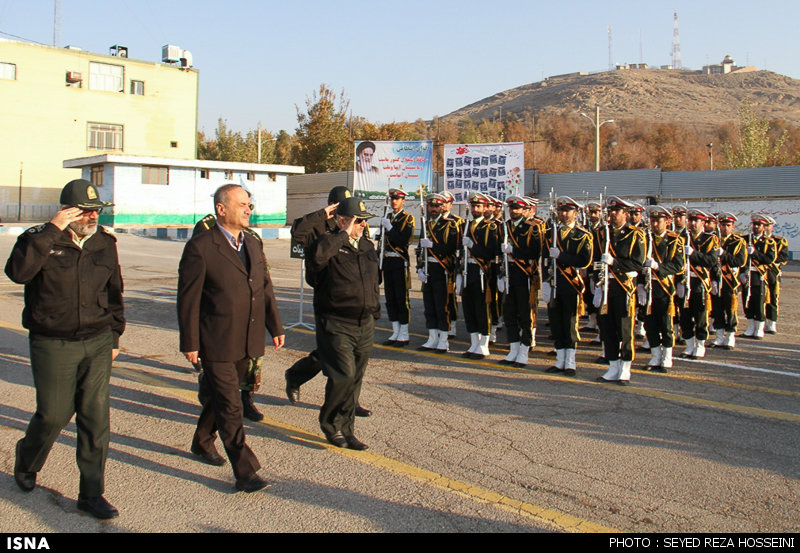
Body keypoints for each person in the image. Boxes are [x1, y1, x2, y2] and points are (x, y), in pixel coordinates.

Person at [5, 179, 125, 519]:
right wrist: (52, 230)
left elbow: (115, 292)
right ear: (65, 210)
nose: (91, 217)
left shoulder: (104, 243)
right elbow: (18, 273)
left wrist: (115, 335)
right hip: (52, 342)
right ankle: (27, 459)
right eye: (84, 211)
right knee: (54, 414)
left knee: (95, 417)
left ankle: (91, 493)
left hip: (97, 341)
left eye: (95, 210)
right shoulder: (39, 239)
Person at [178, 184, 284, 493]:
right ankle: (245, 471)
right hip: (216, 339)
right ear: (221, 209)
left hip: (248, 338)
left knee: (219, 396)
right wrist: (190, 342)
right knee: (231, 404)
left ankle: (201, 441)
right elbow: (188, 299)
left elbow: (265, 287)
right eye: (242, 204)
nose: (249, 209)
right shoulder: (202, 246)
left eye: (249, 204)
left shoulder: (252, 243)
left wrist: (275, 326)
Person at [309, 198, 380, 450]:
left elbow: (374, 281)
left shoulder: (367, 246)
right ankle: (329, 424)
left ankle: (347, 429)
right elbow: (315, 263)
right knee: (343, 376)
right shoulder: (327, 244)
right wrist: (341, 235)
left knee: (356, 379)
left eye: (364, 221)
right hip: (337, 322)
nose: (363, 225)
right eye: (358, 220)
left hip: (364, 322)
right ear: (342, 221)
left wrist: (375, 309)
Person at [596, 196, 645, 385]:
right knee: (607, 328)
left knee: (624, 329)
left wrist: (615, 263)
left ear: (626, 214)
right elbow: (595, 260)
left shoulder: (635, 234)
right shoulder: (602, 232)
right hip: (606, 286)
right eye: (611, 211)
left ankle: (625, 367)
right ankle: (613, 365)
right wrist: (596, 284)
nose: (612, 214)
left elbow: (637, 263)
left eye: (616, 211)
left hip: (624, 287)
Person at [542, 196, 593, 376]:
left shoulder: (582, 235)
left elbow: (585, 261)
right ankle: (559, 359)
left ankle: (570, 361)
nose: (563, 214)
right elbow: (544, 259)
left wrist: (561, 256)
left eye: (567, 211)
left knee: (570, 322)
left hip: (571, 283)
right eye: (561, 211)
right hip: (554, 282)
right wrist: (544, 281)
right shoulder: (550, 233)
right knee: (556, 322)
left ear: (576, 213)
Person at [499, 196, 544, 367]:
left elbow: (535, 250)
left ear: (524, 210)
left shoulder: (533, 227)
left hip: (524, 274)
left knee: (525, 315)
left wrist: (514, 251)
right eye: (511, 208)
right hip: (509, 273)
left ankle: (524, 350)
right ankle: (513, 348)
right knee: (509, 313)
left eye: (517, 209)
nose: (513, 211)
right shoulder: (505, 226)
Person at [640, 206, 685, 372]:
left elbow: (679, 266)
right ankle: (655, 356)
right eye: (652, 220)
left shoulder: (675, 240)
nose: (654, 224)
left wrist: (658, 266)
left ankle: (667, 357)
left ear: (667, 222)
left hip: (664, 287)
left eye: (658, 221)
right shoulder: (645, 238)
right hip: (648, 285)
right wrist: (639, 285)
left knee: (666, 325)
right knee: (650, 325)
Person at [459, 192, 500, 359]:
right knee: (469, 308)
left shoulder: (490, 227)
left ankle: (484, 344)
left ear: (485, 208)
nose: (475, 209)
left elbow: (491, 251)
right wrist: (458, 272)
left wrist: (473, 246)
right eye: (473, 206)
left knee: (482, 308)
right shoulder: (464, 226)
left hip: (482, 272)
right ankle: (473, 343)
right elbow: (459, 253)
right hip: (467, 270)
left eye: (478, 206)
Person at [418, 193, 460, 352]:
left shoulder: (450, 224)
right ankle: (432, 337)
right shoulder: (425, 223)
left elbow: (451, 248)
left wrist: (432, 245)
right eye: (431, 206)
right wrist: (419, 267)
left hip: (442, 269)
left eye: (436, 206)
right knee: (429, 305)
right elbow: (420, 250)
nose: (433, 209)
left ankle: (443, 339)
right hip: (428, 269)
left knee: (442, 306)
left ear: (443, 207)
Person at [678, 209, 719, 359]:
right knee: (685, 315)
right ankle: (689, 345)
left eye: (696, 221)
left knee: (700, 315)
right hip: (684, 280)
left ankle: (700, 344)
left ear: (703, 223)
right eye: (691, 220)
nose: (693, 223)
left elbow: (711, 260)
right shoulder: (683, 237)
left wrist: (693, 254)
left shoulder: (710, 239)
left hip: (699, 281)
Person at [379, 188, 415, 347]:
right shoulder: (387, 216)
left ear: (403, 201)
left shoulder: (408, 219)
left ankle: (404, 334)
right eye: (393, 198)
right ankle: (395, 331)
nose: (394, 201)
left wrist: (389, 228)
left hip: (399, 262)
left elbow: (403, 241)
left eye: (398, 199)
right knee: (390, 297)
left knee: (401, 298)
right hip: (387, 261)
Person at [710, 212, 747, 349]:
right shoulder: (714, 240)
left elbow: (740, 261)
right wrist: (713, 279)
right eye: (723, 225)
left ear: (733, 227)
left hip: (730, 281)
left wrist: (724, 254)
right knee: (717, 308)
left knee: (730, 309)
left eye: (728, 225)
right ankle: (719, 337)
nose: (725, 228)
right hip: (717, 280)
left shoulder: (738, 241)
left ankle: (730, 336)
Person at [740, 214, 777, 339]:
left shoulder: (768, 241)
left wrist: (755, 253)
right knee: (747, 301)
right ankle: (750, 326)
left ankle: (759, 328)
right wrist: (741, 273)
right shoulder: (745, 239)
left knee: (759, 301)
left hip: (759, 274)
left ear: (764, 227)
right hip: (747, 273)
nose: (756, 227)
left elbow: (769, 259)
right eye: (754, 224)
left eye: (759, 225)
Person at [764, 216, 788, 334]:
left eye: (768, 226)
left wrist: (769, 259)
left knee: (773, 296)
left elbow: (783, 258)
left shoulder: (779, 240)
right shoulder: (755, 240)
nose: (765, 228)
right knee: (759, 297)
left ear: (772, 227)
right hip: (760, 272)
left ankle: (772, 321)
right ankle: (760, 320)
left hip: (773, 272)